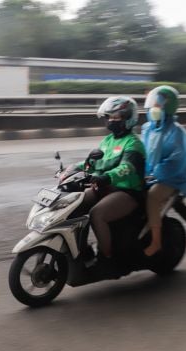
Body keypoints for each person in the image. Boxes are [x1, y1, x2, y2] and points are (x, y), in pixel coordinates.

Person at [79, 96, 146, 264]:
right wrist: (74, 169)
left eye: (116, 117)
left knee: (97, 214)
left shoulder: (133, 143)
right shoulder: (108, 141)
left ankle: (106, 257)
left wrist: (106, 177)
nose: (111, 121)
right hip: (105, 187)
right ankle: (81, 249)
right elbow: (94, 163)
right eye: (109, 117)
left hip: (127, 191)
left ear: (128, 118)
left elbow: (126, 168)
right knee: (73, 204)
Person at [141, 86, 186, 257]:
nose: (153, 109)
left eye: (157, 106)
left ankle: (156, 242)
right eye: (153, 105)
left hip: (171, 179)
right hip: (150, 175)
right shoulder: (148, 128)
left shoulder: (176, 132)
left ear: (168, 108)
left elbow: (176, 161)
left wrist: (156, 174)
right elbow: (143, 153)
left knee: (152, 196)